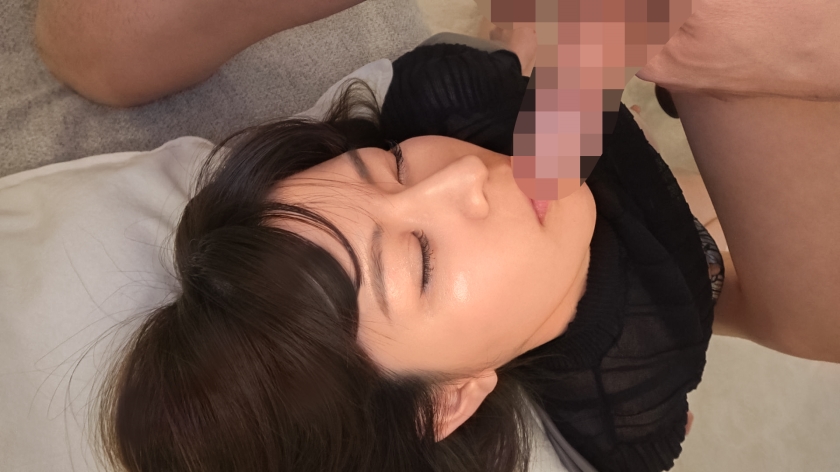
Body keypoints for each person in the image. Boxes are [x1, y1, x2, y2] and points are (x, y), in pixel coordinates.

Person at [90, 33, 728, 472]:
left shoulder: (453, 102)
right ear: (450, 400)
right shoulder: (638, 387)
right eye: (421, 261)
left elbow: (605, 39)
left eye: (390, 164)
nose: (462, 175)